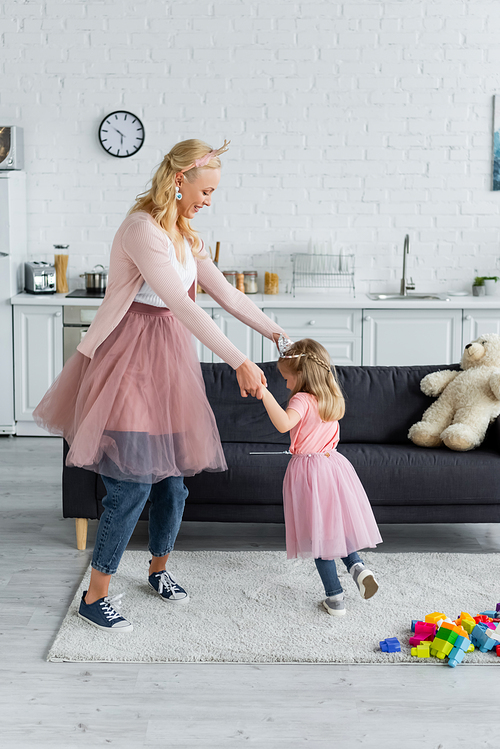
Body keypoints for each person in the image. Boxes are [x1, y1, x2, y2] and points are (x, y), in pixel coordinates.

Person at [34, 138, 286, 632]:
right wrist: (239, 361)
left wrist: (275, 333)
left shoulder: (186, 236)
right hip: (126, 360)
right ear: (178, 179)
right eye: (206, 190)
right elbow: (181, 304)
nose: (209, 200)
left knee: (173, 481)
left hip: (169, 362)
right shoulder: (141, 229)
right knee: (129, 483)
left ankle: (158, 570)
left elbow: (227, 296)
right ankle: (95, 596)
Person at [260, 338, 382, 616]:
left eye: (287, 379)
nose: (287, 385)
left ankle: (335, 598)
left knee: (318, 536)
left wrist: (264, 393)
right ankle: (357, 566)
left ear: (301, 374)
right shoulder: (330, 396)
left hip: (309, 472)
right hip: (335, 466)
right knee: (335, 528)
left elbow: (283, 423)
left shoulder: (301, 399)